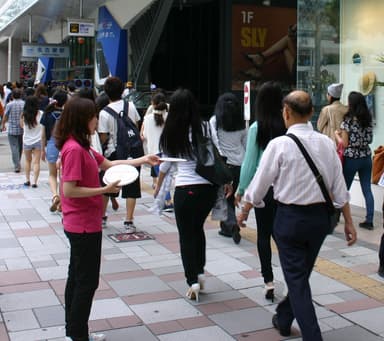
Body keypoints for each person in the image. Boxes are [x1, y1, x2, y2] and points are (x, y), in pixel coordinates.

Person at [237, 90, 357, 341]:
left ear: (286, 112)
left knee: (298, 281)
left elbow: (260, 184)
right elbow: (339, 186)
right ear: (312, 112)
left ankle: (312, 336)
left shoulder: (279, 145)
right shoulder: (326, 143)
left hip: (290, 220)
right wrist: (348, 221)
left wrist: (246, 209)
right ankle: (283, 317)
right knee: (300, 275)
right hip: (320, 221)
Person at [54, 96, 159, 341]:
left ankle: (75, 331)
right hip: (81, 225)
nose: (96, 120)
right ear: (82, 119)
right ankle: (77, 334)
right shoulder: (73, 149)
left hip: (85, 223)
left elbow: (111, 164)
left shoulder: (85, 148)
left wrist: (143, 159)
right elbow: (68, 190)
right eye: (93, 116)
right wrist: (103, 191)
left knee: (78, 278)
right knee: (86, 282)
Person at [155, 88, 231, 302]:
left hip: (184, 189)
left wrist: (158, 187)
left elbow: (166, 165)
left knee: (186, 235)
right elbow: (216, 154)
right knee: (197, 230)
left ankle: (192, 281)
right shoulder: (205, 126)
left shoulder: (171, 130)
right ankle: (199, 271)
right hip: (206, 189)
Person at [235, 81, 286, 300]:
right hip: (286, 189)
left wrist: (241, 190)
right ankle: (291, 277)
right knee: (282, 235)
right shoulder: (287, 125)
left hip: (264, 190)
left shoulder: (258, 127)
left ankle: (268, 281)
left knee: (264, 234)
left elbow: (249, 164)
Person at [98, 77, 142, 232]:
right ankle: (129, 221)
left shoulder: (104, 113)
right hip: (133, 152)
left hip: (113, 153)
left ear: (106, 92)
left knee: (107, 183)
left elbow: (103, 137)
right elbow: (135, 128)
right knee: (132, 185)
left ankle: (102, 217)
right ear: (123, 90)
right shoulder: (130, 105)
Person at [209, 92, 247, 244]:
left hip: (223, 164)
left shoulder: (215, 121)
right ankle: (226, 227)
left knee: (224, 198)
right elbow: (246, 143)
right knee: (230, 198)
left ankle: (231, 225)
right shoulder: (242, 122)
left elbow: (214, 142)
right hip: (239, 164)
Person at [335, 91, 375, 230]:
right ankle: (369, 220)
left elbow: (344, 144)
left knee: (344, 188)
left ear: (351, 104)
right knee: (367, 189)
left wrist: (337, 135)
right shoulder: (368, 119)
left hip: (351, 157)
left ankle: (335, 218)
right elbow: (370, 139)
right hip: (366, 156)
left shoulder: (348, 121)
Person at [142, 92, 173, 210]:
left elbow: (144, 135)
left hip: (154, 151)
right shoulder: (169, 117)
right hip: (168, 150)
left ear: (152, 104)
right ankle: (167, 200)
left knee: (162, 177)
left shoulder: (147, 119)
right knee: (166, 176)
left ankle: (167, 201)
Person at [40, 89, 68, 212]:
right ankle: (62, 200)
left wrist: (42, 149)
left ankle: (54, 195)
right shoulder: (67, 114)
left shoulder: (46, 114)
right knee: (63, 175)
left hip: (51, 145)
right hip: (65, 145)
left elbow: (42, 135)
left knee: (52, 174)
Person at [20, 96, 43, 187]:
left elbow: (21, 126)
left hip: (27, 140)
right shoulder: (41, 113)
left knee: (27, 160)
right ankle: (35, 182)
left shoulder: (23, 115)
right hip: (38, 139)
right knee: (36, 162)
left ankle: (27, 180)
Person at [1, 88, 25, 172]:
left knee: (14, 147)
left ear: (12, 95)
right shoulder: (24, 104)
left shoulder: (9, 105)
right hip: (22, 128)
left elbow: (5, 115)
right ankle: (18, 162)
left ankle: (16, 165)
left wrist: (3, 124)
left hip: (12, 129)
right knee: (20, 146)